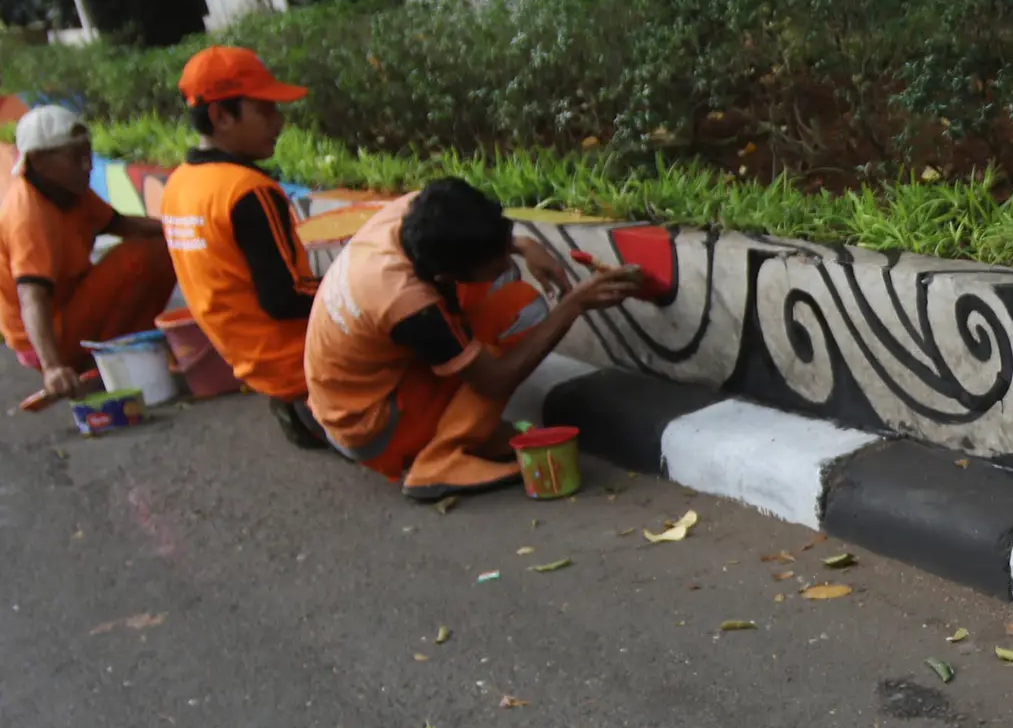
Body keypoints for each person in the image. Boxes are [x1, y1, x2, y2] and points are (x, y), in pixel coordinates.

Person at [304, 177, 635, 501]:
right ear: (445, 275)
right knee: (517, 318)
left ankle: (463, 433)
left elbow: (472, 236)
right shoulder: (406, 302)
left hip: (351, 398)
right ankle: (439, 461)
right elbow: (494, 380)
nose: (506, 262)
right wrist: (573, 305)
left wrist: (523, 244)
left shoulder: (415, 213)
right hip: (370, 429)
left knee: (503, 293)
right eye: (496, 259)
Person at [159, 46, 327, 448]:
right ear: (221, 116)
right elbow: (284, 298)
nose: (278, 122)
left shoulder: (180, 182)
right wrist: (355, 286)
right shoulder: (248, 191)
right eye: (265, 110)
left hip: (256, 366)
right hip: (301, 365)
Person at [3, 106, 176, 403]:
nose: (88, 166)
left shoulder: (69, 191)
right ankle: (97, 360)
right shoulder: (28, 214)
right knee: (138, 258)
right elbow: (32, 298)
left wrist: (185, 229)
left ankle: (124, 351)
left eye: (88, 155)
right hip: (48, 337)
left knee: (161, 247)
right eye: (75, 158)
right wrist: (52, 366)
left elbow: (123, 225)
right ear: (39, 161)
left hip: (72, 306)